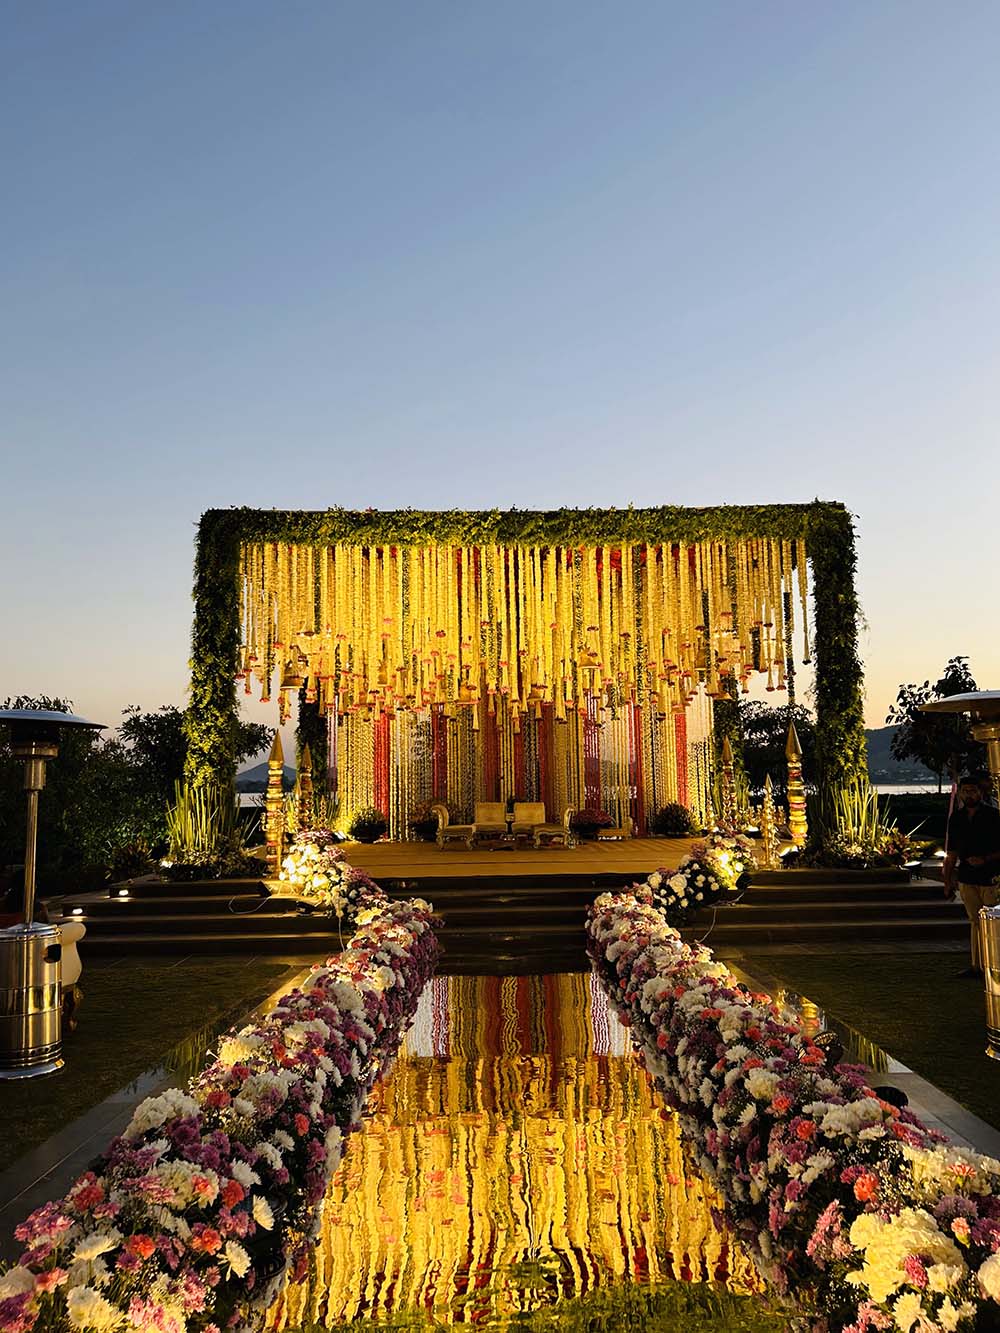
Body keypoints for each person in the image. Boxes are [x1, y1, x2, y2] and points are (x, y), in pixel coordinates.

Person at [944, 777, 1000, 977]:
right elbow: (951, 852)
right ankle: (978, 965)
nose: (969, 794)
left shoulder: (993, 816)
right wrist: (948, 880)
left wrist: (985, 859)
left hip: (991, 876)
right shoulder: (957, 818)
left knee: (993, 921)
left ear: (980, 793)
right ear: (960, 793)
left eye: (973, 790)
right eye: (965, 791)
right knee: (975, 921)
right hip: (967, 877)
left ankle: (993, 963)